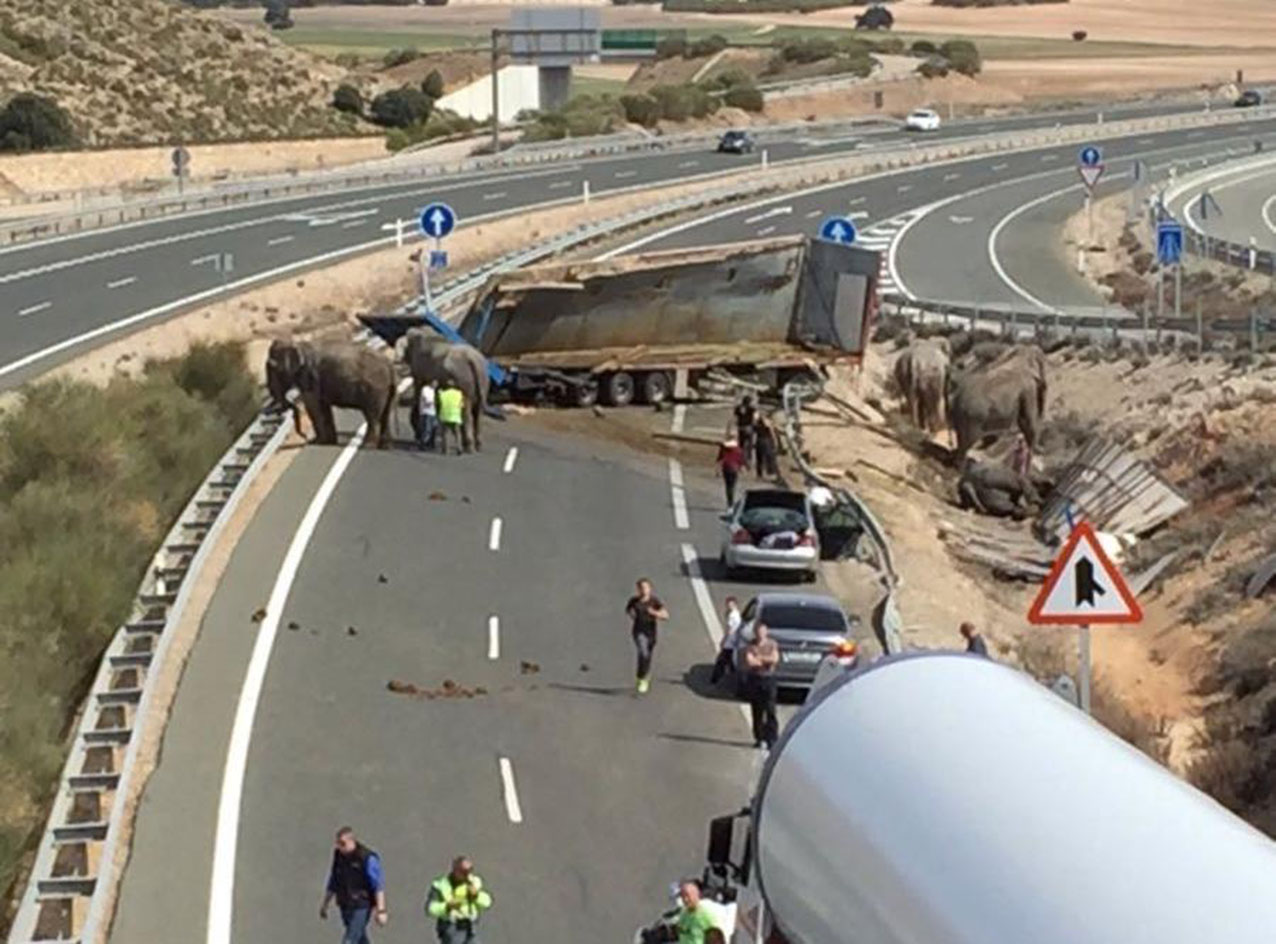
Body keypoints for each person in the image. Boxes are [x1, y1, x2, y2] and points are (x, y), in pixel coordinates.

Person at [320, 826, 388, 944]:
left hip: (361, 905)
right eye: (338, 843)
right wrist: (325, 903)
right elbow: (334, 880)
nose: (340, 847)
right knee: (360, 938)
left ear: (352, 841)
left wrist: (381, 910)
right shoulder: (339, 857)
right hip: (345, 904)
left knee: (350, 940)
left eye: (343, 843)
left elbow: (378, 885)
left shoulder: (366, 858)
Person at [426, 856, 492, 944]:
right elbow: (431, 909)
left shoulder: (473, 883)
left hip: (469, 926)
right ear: (455, 871)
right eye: (463, 872)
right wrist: (447, 907)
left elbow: (487, 902)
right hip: (451, 926)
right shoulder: (441, 886)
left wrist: (476, 896)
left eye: (469, 872)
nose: (467, 875)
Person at [626, 578, 669, 694]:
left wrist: (654, 613)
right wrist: (634, 616)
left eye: (646, 588)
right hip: (638, 631)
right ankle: (641, 678)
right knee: (643, 652)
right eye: (641, 588)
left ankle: (645, 674)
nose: (643, 590)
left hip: (651, 632)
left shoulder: (654, 601)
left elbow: (665, 615)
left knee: (647, 656)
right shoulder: (634, 601)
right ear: (638, 589)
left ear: (650, 589)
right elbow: (629, 610)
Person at [743, 623, 780, 750]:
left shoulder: (772, 644)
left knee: (770, 710)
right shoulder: (751, 645)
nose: (760, 634)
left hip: (768, 679)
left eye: (762, 631)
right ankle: (759, 738)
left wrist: (760, 658)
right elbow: (750, 661)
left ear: (766, 632)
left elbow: (774, 659)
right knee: (757, 710)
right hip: (755, 680)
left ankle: (772, 738)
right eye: (758, 632)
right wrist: (764, 661)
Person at [710, 597, 743, 685]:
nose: (729, 606)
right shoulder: (737, 614)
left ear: (735, 604)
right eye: (728, 604)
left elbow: (729, 630)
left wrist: (723, 640)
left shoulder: (732, 615)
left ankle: (715, 678)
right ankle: (733, 676)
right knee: (730, 660)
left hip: (730, 641)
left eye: (731, 604)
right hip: (734, 641)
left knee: (722, 660)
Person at [716, 436, 746, 508]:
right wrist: (742, 468)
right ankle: (731, 502)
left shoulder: (723, 449)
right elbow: (741, 461)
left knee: (728, 486)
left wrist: (717, 470)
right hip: (734, 469)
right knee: (732, 486)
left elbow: (719, 459)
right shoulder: (739, 450)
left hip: (726, 469)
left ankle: (730, 503)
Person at [437, 379, 465, 456]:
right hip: (455, 416)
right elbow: (462, 405)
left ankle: (446, 449)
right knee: (457, 434)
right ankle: (459, 448)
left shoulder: (443, 394)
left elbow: (439, 403)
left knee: (446, 433)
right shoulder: (459, 394)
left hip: (445, 416)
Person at [754, 413, 779, 479]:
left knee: (759, 458)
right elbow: (772, 433)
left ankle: (759, 474)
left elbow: (754, 432)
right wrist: (775, 441)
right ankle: (771, 473)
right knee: (769, 457)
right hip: (766, 440)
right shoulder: (768, 423)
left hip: (759, 440)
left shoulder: (756, 423)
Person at [417, 381, 439, 452]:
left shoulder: (434, 391)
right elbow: (427, 400)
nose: (435, 384)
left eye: (436, 383)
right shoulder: (425, 389)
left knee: (434, 427)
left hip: (433, 412)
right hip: (426, 412)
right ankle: (422, 443)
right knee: (427, 429)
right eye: (434, 383)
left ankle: (431, 442)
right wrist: (434, 402)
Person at [734, 395, 757, 460]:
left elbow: (735, 418)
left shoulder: (738, 408)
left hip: (741, 427)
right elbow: (755, 419)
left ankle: (739, 456)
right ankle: (748, 458)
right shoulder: (752, 409)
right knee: (750, 443)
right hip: (748, 427)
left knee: (741, 443)